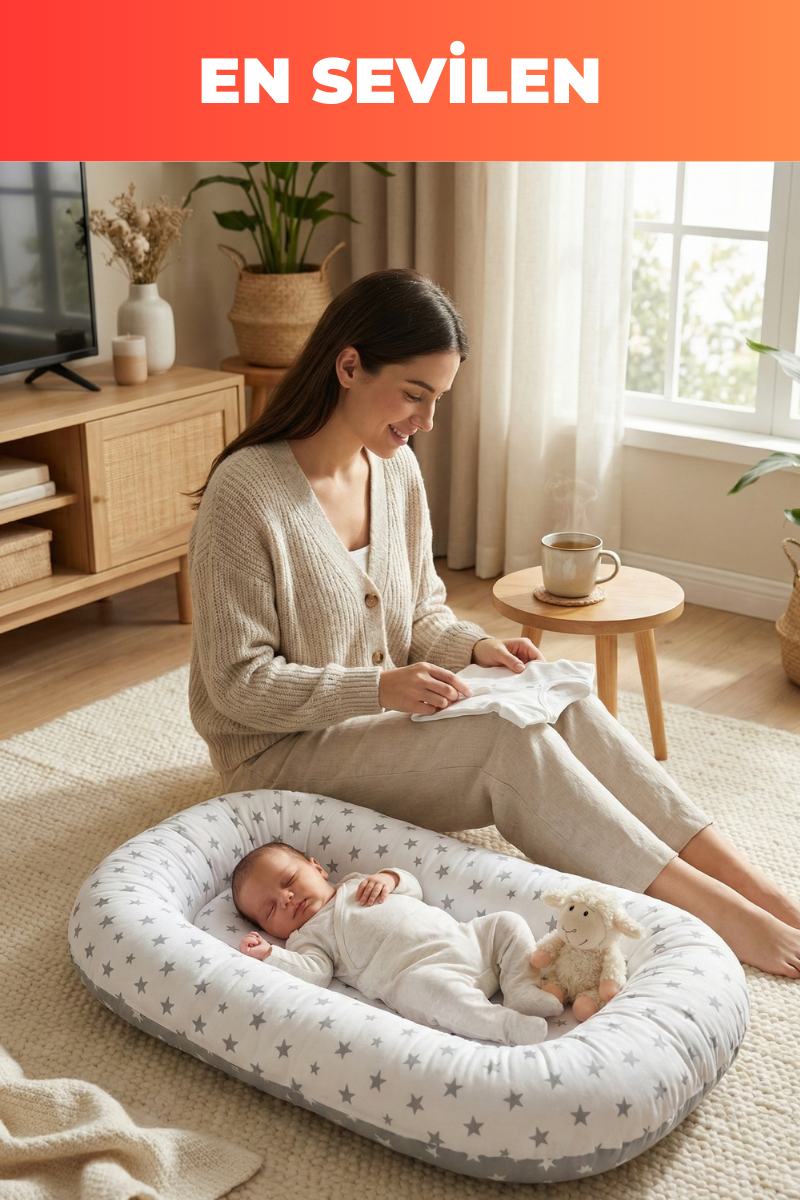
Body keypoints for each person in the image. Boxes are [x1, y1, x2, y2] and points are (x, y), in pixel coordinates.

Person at [188, 267, 800, 979]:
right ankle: (716, 912)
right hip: (276, 758)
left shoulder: (394, 471)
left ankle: (753, 886)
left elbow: (419, 616)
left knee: (556, 691)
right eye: (416, 395)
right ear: (349, 365)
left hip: (367, 725)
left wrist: (476, 647)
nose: (427, 421)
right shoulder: (246, 495)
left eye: (438, 400)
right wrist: (381, 688)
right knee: (503, 742)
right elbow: (236, 686)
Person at [232, 841, 562, 1046]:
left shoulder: (358, 882)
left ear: (316, 867)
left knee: (507, 922)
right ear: (267, 927)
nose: (287, 899)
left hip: (468, 938)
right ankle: (505, 1025)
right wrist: (271, 954)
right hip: (424, 972)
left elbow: (413, 889)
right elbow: (315, 972)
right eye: (271, 909)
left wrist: (389, 878)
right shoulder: (306, 938)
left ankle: (521, 989)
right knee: (430, 994)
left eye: (288, 881)